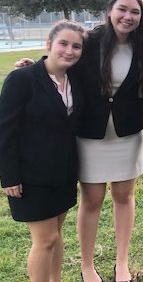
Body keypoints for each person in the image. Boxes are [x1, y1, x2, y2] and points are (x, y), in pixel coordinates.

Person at [0, 20, 85, 282]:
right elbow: (5, 130)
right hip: (30, 176)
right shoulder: (22, 79)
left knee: (56, 235)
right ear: (48, 45)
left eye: (76, 46)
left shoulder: (75, 80)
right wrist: (9, 176)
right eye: (63, 43)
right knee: (45, 239)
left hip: (63, 174)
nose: (69, 50)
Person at [76, 0, 143, 282]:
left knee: (123, 195)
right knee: (91, 199)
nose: (127, 17)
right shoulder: (89, 42)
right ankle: (87, 266)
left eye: (134, 12)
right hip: (90, 132)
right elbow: (61, 60)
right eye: (122, 9)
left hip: (127, 133)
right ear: (109, 11)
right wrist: (36, 68)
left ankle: (121, 263)